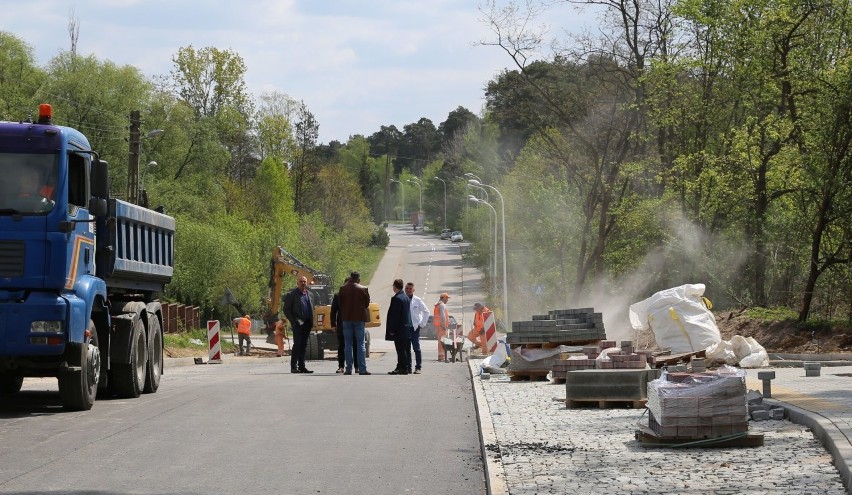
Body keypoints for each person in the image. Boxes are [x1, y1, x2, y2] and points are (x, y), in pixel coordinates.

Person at [338, 271, 372, 375]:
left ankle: (348, 369)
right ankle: (362, 368)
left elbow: (340, 303)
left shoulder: (343, 289)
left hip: (347, 319)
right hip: (359, 319)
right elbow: (367, 304)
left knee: (347, 344)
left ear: (350, 278)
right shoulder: (363, 289)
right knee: (360, 343)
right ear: (358, 279)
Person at [283, 276, 314, 373]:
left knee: (304, 345)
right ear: (297, 283)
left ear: (307, 283)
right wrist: (294, 321)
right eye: (301, 281)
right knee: (297, 345)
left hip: (307, 323)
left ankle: (302, 366)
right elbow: (286, 310)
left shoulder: (310, 294)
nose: (303, 283)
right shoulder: (291, 295)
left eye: (304, 281)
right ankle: (294, 367)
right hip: (297, 324)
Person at [386, 278, 413, 374]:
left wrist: (392, 329)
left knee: (400, 349)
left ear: (394, 287)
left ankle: (403, 367)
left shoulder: (397, 299)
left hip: (399, 329)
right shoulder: (405, 297)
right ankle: (402, 366)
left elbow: (395, 316)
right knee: (404, 349)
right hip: (405, 327)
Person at [330, 279, 357, 373]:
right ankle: (341, 366)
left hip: (354, 323)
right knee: (342, 346)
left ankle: (357, 367)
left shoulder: (355, 294)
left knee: (355, 345)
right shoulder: (338, 295)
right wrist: (333, 324)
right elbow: (333, 311)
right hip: (342, 324)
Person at [405, 281, 430, 374]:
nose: (408, 290)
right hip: (405, 327)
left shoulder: (417, 300)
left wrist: (421, 324)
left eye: (410, 288)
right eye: (407, 288)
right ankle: (408, 367)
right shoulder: (403, 299)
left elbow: (426, 312)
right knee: (406, 348)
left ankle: (418, 367)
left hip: (415, 327)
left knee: (416, 347)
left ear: (413, 290)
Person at [433, 292, 451, 363]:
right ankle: (442, 357)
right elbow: (443, 316)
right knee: (443, 341)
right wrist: (444, 325)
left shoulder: (437, 305)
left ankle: (441, 356)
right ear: (443, 298)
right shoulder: (442, 305)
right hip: (441, 326)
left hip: (438, 326)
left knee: (440, 341)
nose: (447, 300)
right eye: (446, 298)